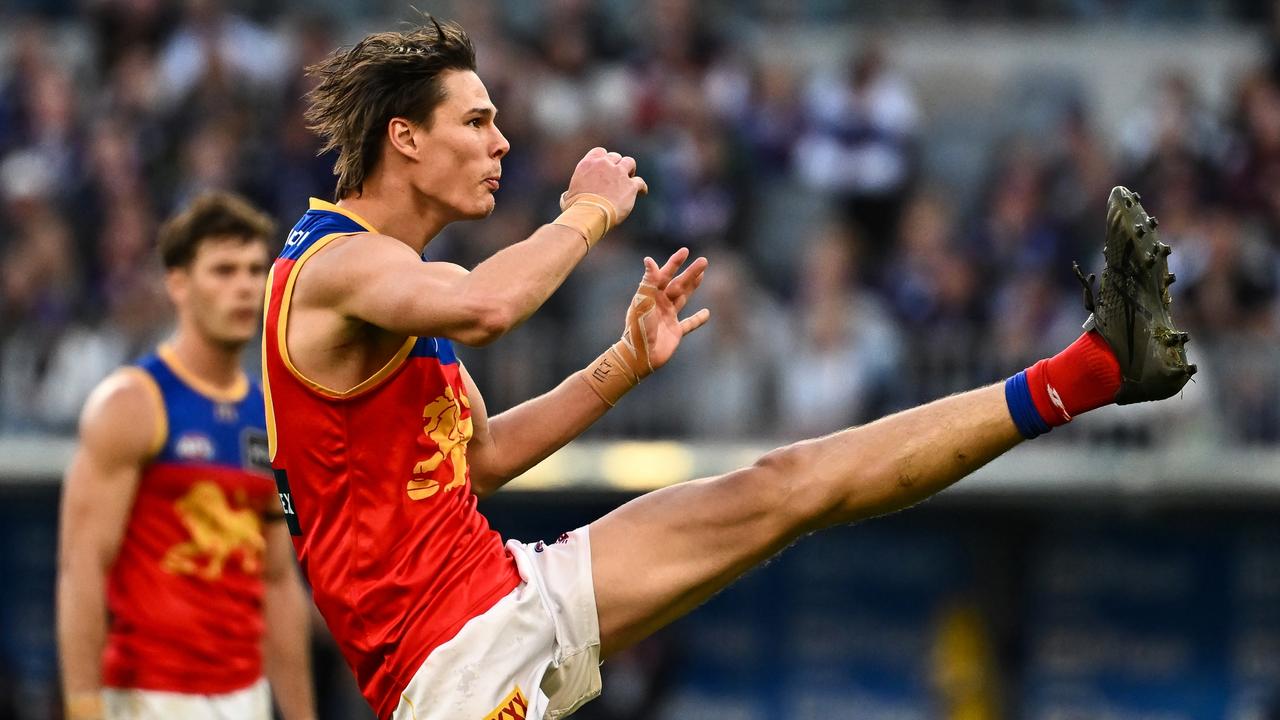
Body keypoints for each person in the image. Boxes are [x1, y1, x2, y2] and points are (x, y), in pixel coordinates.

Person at [269, 17, 1195, 720]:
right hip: (452, 669)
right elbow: (489, 307)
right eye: (476, 121)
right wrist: (587, 211)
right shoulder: (334, 267)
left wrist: (624, 364)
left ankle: (1093, 369)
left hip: (503, 591)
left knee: (785, 482)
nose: (500, 142)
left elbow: (485, 458)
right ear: (405, 139)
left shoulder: (395, 291)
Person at [56, 192, 316, 720]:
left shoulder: (268, 416)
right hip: (151, 695)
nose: (244, 287)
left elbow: (276, 580)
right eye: (222, 270)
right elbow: (82, 567)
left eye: (253, 270)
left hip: (247, 695)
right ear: (178, 284)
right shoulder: (132, 404)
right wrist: (84, 707)